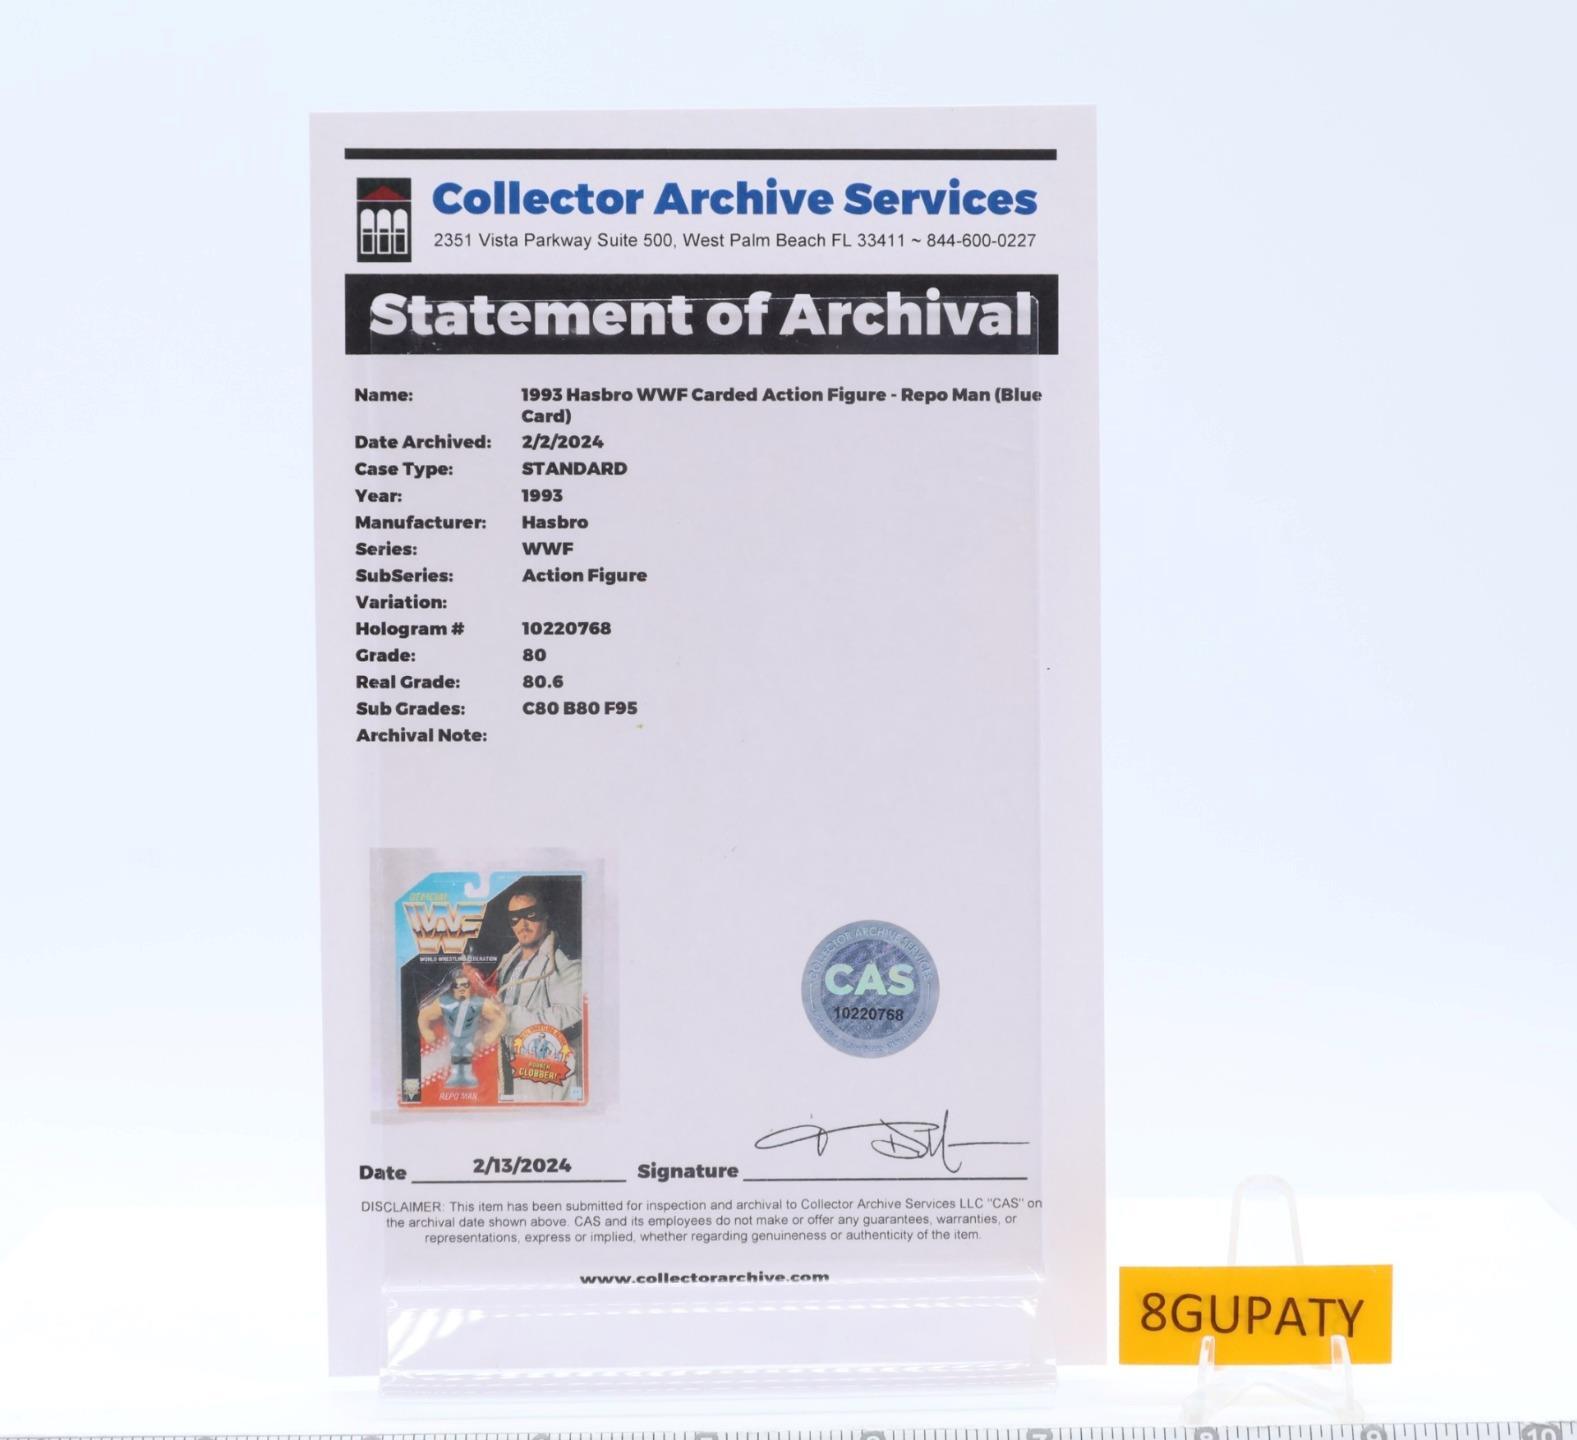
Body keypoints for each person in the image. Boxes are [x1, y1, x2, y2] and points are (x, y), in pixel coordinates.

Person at [491, 882, 583, 1101]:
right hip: (509, 1070)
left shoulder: (563, 959)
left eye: (530, 915)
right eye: (515, 918)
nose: (522, 925)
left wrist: (506, 1017)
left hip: (547, 1073)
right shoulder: (508, 961)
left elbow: (575, 1015)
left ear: (545, 914)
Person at [417, 969, 503, 1090]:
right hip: (453, 1039)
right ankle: (456, 1074)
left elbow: (499, 1017)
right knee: (456, 1051)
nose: (462, 989)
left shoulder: (478, 1003)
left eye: (465, 985)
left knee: (467, 1050)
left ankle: (466, 1074)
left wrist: (493, 1033)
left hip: (471, 1038)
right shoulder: (445, 1003)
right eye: (458, 986)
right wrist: (426, 1032)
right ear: (453, 988)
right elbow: (424, 1015)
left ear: (470, 987)